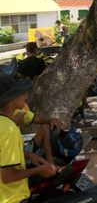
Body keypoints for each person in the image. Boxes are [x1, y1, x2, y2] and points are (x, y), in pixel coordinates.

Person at [0, 74, 57, 203]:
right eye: (22, 93)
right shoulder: (10, 129)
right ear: (11, 98)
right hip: (12, 198)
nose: (26, 97)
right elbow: (7, 177)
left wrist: (27, 154)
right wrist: (39, 170)